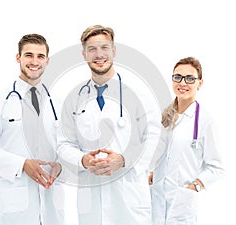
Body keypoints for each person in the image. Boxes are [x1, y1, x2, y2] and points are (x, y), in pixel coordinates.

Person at [56, 25, 161, 225]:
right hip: (91, 200)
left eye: (104, 47)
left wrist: (123, 159)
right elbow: (63, 144)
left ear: (113, 51)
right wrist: (83, 160)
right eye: (92, 49)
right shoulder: (75, 98)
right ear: (84, 54)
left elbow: (156, 137)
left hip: (129, 198)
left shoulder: (138, 92)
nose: (99, 54)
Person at [0, 34, 65, 225]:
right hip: (16, 207)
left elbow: (67, 146)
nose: (34, 61)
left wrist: (62, 166)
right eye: (28, 55)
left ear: (47, 61)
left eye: (40, 56)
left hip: (52, 204)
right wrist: (22, 164)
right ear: (18, 58)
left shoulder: (58, 103)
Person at [149, 57, 225, 225]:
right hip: (155, 201)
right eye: (178, 77)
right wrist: (153, 173)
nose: (183, 83)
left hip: (182, 203)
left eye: (190, 78)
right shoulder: (164, 117)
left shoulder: (205, 121)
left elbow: (216, 167)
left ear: (200, 83)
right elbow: (162, 154)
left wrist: (195, 186)